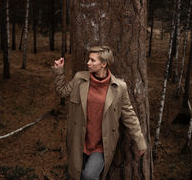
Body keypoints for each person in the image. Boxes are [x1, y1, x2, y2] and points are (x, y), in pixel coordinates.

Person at [52, 46, 146, 180]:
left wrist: (140, 141)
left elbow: (130, 116)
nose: (88, 63)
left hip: (102, 144)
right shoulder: (80, 79)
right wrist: (58, 70)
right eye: (88, 59)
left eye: (92, 60)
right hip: (80, 139)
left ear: (104, 64)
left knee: (89, 175)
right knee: (75, 175)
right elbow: (62, 91)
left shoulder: (119, 88)